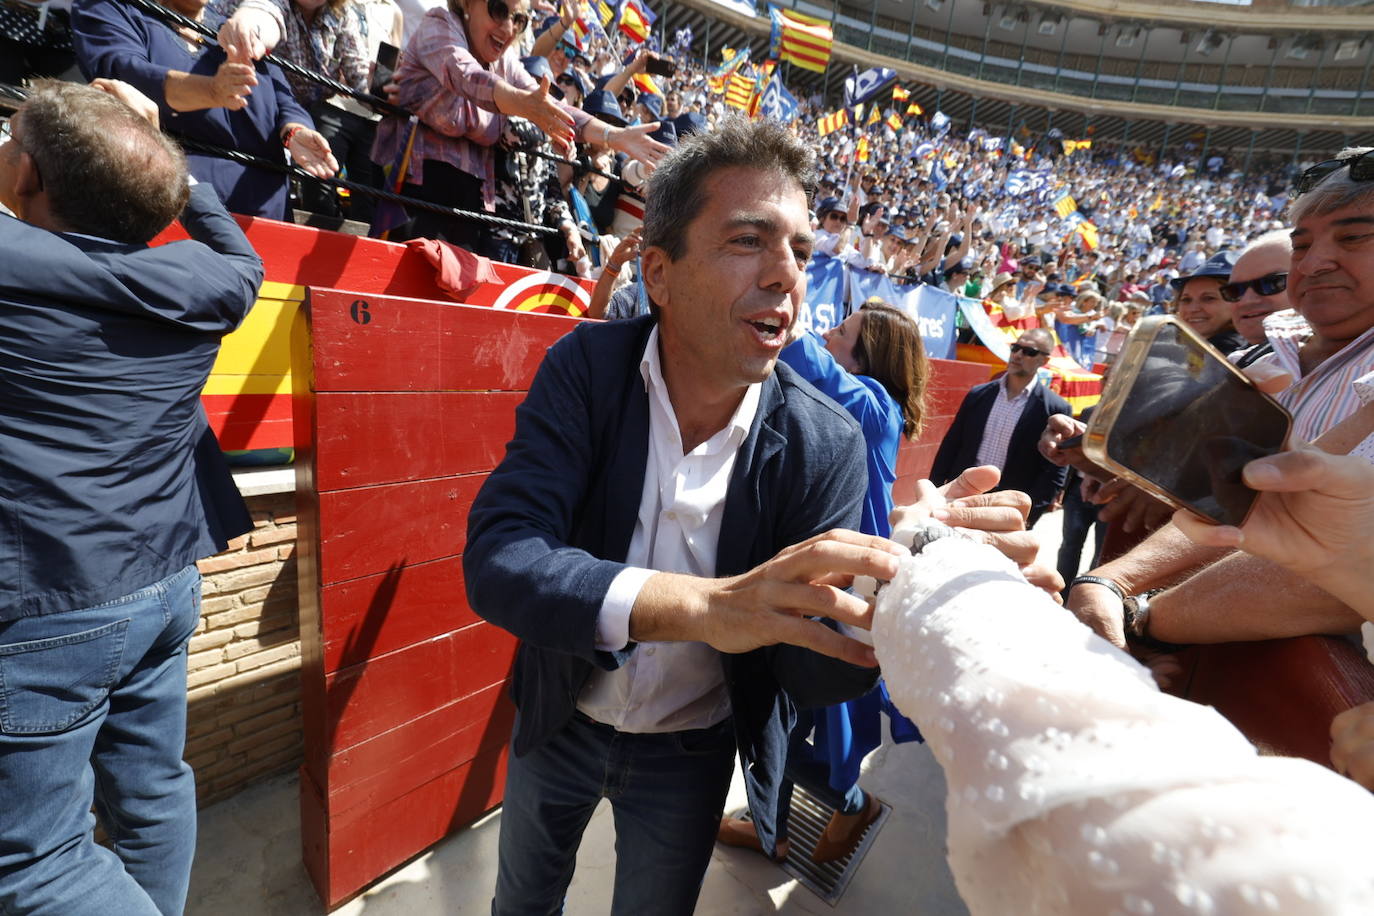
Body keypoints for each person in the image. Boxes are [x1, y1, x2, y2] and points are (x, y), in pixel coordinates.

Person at [462, 116, 1035, 915]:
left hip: (692, 752)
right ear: (658, 273)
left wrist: (891, 588)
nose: (786, 276)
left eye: (800, 250)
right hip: (561, 717)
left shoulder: (825, 438)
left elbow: (808, 670)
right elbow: (500, 560)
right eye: (747, 241)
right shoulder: (585, 368)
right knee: (521, 904)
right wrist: (711, 607)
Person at [0, 79, 262, 914]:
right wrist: (162, 165)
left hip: (52, 611)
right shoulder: (208, 285)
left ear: (29, 180)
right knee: (151, 792)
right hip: (163, 584)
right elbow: (242, 261)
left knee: (33, 865)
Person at [718, 300, 928, 863]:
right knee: (789, 714)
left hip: (836, 594)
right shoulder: (845, 405)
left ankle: (847, 804)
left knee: (797, 715)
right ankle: (780, 825)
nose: (831, 335)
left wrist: (773, 309)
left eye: (844, 331)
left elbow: (816, 365)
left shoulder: (875, 403)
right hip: (814, 582)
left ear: (871, 355)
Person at [373, 0, 666, 254]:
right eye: (498, 9)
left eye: (519, 19)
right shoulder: (439, 25)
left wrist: (615, 136)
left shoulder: (505, 63)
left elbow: (554, 108)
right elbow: (465, 75)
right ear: (466, 4)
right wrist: (521, 104)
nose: (508, 27)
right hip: (410, 191)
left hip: (471, 207)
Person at [71, 0, 338, 220]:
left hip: (265, 214)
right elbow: (124, 78)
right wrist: (211, 91)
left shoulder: (231, 28)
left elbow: (284, 100)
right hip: (171, 208)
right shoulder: (114, 8)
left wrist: (295, 133)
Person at [930, 327, 1071, 527]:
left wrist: (1029, 515)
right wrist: (934, 489)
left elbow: (1055, 470)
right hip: (961, 495)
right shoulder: (979, 394)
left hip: (1007, 507)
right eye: (1015, 348)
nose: (1018, 355)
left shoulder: (1055, 408)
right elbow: (951, 444)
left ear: (1044, 360)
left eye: (1029, 351)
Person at [1169, 249, 1248, 355]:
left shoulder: (1230, 351)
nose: (1193, 309)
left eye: (1208, 298)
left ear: (1239, 301)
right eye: (1186, 299)